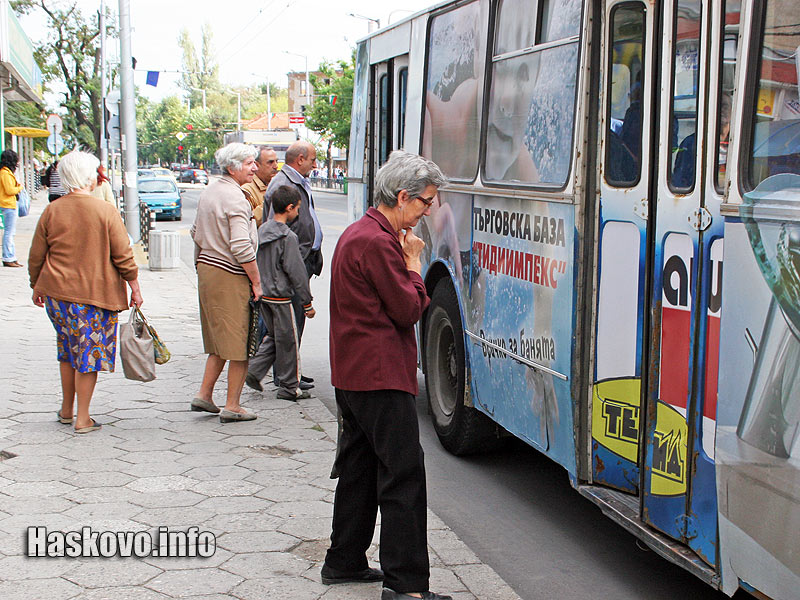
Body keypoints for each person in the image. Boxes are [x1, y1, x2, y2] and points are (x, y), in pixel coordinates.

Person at [322, 150, 451, 600]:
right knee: (402, 475)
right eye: (425, 202)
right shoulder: (380, 243)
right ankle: (407, 586)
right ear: (402, 197)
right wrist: (415, 267)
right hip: (379, 374)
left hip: (354, 372)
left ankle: (344, 559)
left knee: (359, 467)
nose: (428, 212)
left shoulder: (360, 232)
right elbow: (408, 309)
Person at [28, 151, 143, 434]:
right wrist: (135, 286)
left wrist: (36, 285)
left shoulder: (52, 210)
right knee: (87, 357)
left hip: (58, 296)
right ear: (88, 177)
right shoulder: (104, 211)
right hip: (94, 297)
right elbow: (123, 255)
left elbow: (36, 255)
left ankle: (66, 410)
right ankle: (83, 419)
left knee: (67, 350)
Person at [190, 143, 262, 423]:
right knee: (240, 342)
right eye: (248, 163)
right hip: (229, 273)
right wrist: (256, 282)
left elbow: (196, 233)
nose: (254, 168)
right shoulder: (235, 198)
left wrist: (200, 264)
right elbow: (242, 246)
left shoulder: (210, 191)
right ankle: (233, 404)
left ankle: (205, 395)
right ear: (233, 167)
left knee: (219, 341)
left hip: (209, 270)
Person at [246, 185, 315, 400]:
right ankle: (289, 387)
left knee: (274, 337)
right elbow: (297, 273)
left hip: (264, 294)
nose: (298, 213)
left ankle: (254, 371)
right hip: (282, 297)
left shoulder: (261, 231)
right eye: (297, 209)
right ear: (289, 207)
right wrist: (307, 303)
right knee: (289, 341)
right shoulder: (288, 237)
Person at [265, 140, 322, 387]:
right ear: (300, 159)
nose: (315, 164)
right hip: (292, 262)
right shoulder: (283, 185)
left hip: (301, 257)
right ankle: (286, 377)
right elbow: (274, 230)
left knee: (294, 322)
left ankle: (290, 372)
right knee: (288, 324)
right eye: (312, 159)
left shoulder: (296, 181)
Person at [241, 145, 279, 227]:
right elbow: (248, 222)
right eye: (270, 162)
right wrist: (272, 201)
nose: (276, 166)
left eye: (277, 161)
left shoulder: (276, 184)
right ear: (257, 165)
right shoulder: (247, 190)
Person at [0, 150, 23, 268]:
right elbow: (9, 190)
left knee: (10, 232)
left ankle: (11, 256)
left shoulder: (6, 172)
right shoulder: (5, 173)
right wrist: (19, 188)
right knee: (9, 233)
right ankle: (8, 257)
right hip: (8, 205)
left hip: (9, 204)